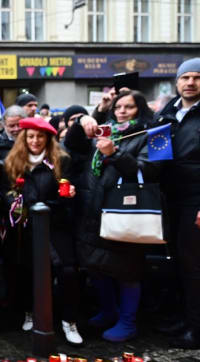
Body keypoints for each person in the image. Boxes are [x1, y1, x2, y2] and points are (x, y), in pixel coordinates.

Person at [68, 91, 158, 343]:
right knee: (97, 265)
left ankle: (128, 322)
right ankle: (109, 311)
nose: (122, 111)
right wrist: (86, 118)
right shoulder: (105, 129)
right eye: (118, 106)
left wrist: (114, 154)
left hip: (125, 212)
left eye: (129, 107)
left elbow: (151, 170)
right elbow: (73, 145)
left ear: (140, 109)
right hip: (94, 209)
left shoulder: (154, 132)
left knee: (127, 269)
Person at [3, 117, 83, 345]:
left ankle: (69, 321)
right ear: (23, 138)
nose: (35, 141)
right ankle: (30, 312)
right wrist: (17, 204)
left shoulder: (61, 161)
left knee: (67, 271)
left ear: (48, 139)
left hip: (56, 225)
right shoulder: (13, 162)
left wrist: (60, 200)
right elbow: (6, 191)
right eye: (30, 136)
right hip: (26, 228)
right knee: (27, 272)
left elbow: (66, 194)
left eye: (40, 136)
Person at [156, 58, 200, 349]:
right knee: (179, 265)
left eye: (197, 78)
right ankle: (185, 318)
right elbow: (156, 153)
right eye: (186, 77)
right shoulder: (168, 112)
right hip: (170, 198)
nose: (191, 82)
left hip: (195, 201)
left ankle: (197, 330)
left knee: (194, 266)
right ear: (177, 82)